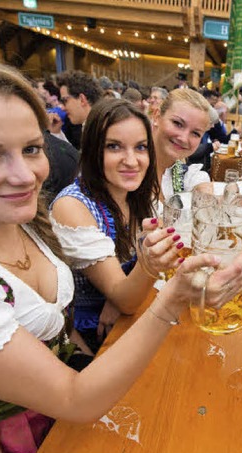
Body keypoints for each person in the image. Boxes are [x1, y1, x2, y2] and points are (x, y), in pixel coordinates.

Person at [0, 52, 242, 453]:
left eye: (31, 149)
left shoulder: (18, 215)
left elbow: (58, 331)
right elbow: (75, 396)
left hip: (58, 419)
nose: (24, 175)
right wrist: (172, 296)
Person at [50, 99, 177, 353]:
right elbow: (127, 298)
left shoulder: (137, 194)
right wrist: (125, 291)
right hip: (90, 339)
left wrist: (119, 295)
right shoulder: (72, 207)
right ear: (93, 150)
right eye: (114, 146)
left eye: (140, 147)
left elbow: (124, 293)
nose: (131, 161)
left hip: (129, 320)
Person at [151, 87, 214, 200]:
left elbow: (201, 186)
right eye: (177, 123)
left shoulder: (187, 178)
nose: (184, 139)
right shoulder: (129, 170)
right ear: (157, 116)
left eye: (195, 133)